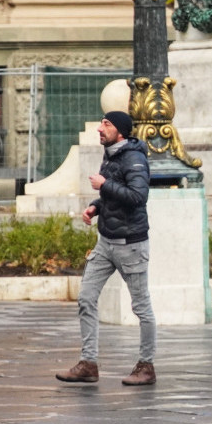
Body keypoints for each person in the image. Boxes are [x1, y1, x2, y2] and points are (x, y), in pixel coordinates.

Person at [56, 110, 157, 387]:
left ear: (120, 131)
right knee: (86, 298)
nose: (100, 128)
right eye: (101, 122)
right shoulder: (111, 154)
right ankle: (88, 364)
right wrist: (95, 207)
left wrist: (105, 185)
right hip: (105, 243)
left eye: (107, 124)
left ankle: (146, 366)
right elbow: (113, 196)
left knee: (142, 308)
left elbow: (138, 197)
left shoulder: (134, 158)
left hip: (131, 245)